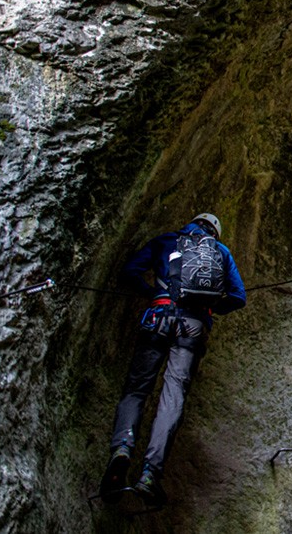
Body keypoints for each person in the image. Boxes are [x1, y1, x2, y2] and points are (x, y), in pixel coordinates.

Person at [98, 213, 246, 506]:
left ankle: (123, 448)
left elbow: (130, 271)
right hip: (193, 327)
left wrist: (154, 293)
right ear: (215, 232)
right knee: (172, 395)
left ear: (192, 223)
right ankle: (150, 474)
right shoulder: (221, 252)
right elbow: (238, 296)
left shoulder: (167, 240)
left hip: (158, 317)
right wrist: (210, 309)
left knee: (137, 390)